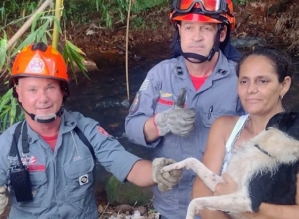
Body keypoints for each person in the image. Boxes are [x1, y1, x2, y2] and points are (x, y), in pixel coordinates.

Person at [0, 42, 183, 219]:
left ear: (63, 91)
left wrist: (156, 172)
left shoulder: (86, 131)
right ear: (18, 94)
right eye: (32, 90)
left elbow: (127, 165)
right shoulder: (7, 144)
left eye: (50, 88)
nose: (43, 99)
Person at [125, 0, 244, 218]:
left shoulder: (241, 80)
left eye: (206, 28)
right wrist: (160, 123)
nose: (196, 37)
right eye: (188, 27)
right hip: (170, 206)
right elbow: (131, 127)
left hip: (218, 207)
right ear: (179, 31)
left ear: (222, 33)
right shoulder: (160, 75)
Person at [192, 47, 299, 219]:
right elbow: (201, 191)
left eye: (262, 81)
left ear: (284, 85)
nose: (250, 90)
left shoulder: (294, 139)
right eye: (244, 81)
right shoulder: (224, 128)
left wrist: (245, 205)